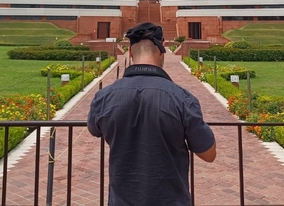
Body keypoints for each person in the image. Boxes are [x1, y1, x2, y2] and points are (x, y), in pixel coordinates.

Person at [87, 22, 216, 206]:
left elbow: (93, 129)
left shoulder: (104, 97)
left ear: (130, 53)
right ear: (162, 50)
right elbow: (209, 154)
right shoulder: (182, 99)